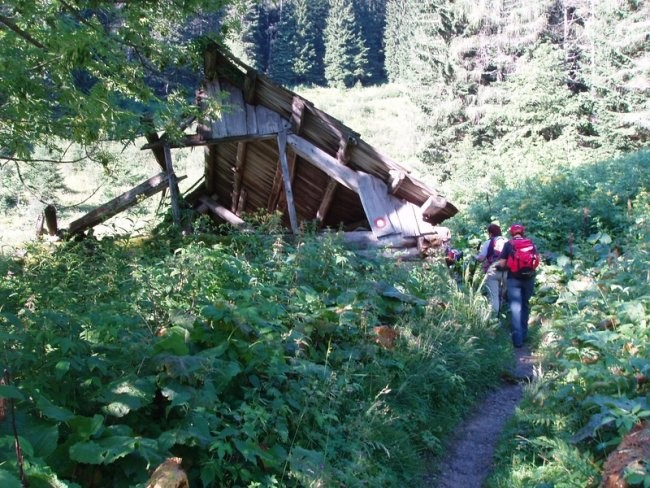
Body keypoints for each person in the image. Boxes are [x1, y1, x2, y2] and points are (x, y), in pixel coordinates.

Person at [496, 223, 539, 348]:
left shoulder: (508, 244)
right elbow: (536, 260)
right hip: (529, 278)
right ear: (523, 232)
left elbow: (503, 264)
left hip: (513, 279)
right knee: (525, 305)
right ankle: (524, 336)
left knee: (515, 308)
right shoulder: (531, 244)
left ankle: (517, 340)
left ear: (511, 233)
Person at [475, 224, 507, 315]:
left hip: (493, 271)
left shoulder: (489, 242)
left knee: (494, 296)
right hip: (507, 271)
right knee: (502, 295)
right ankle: (502, 314)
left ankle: (493, 318)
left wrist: (475, 256)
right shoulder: (507, 241)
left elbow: (481, 259)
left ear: (490, 233)